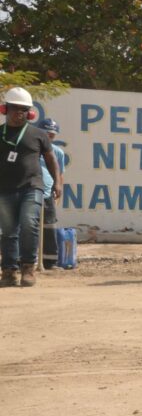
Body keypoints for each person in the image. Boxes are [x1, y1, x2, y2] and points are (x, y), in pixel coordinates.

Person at [0, 87, 62, 287]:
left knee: (29, 223)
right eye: (15, 109)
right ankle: (9, 271)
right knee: (9, 231)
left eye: (24, 110)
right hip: (4, 190)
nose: (20, 113)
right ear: (5, 109)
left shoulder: (38, 134)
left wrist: (58, 182)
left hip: (32, 187)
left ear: (30, 113)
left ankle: (28, 268)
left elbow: (51, 160)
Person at [37, 118, 66, 269]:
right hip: (30, 191)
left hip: (48, 193)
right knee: (27, 227)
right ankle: (24, 261)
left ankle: (50, 261)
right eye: (46, 133)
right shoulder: (31, 147)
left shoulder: (58, 152)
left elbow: (59, 173)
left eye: (52, 135)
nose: (49, 137)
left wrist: (59, 187)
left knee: (49, 226)